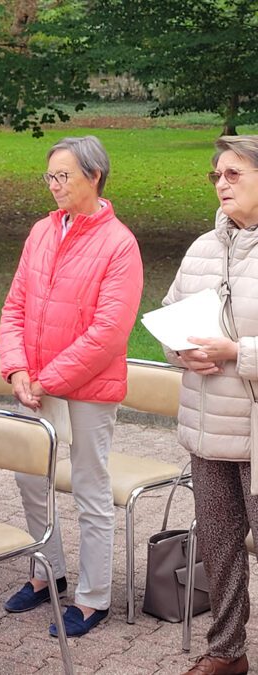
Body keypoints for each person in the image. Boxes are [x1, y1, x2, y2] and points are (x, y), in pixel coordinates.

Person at [0, 136, 143, 638]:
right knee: (29, 478)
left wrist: (46, 379)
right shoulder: (41, 230)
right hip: (33, 383)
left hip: (87, 387)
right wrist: (17, 371)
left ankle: (93, 596)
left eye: (64, 177)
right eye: (50, 177)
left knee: (89, 485)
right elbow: (14, 305)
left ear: (94, 176)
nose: (55, 186)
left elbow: (108, 332)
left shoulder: (119, 243)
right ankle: (47, 572)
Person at [162, 135, 258, 675]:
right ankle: (227, 651)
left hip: (256, 431)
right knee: (220, 552)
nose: (221, 184)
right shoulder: (203, 246)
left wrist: (238, 352)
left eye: (234, 174)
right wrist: (179, 350)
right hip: (206, 428)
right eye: (216, 175)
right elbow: (171, 312)